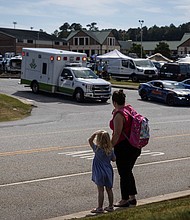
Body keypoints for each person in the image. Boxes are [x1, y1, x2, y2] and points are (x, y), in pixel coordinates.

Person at [109, 89, 141, 207]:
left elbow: (117, 134)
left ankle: (124, 199)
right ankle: (132, 198)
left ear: (114, 102)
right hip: (135, 146)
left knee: (123, 173)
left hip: (124, 147)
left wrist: (110, 146)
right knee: (128, 172)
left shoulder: (119, 115)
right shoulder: (129, 109)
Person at [88, 130, 116, 213]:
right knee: (109, 190)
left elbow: (89, 140)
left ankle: (100, 207)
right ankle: (111, 206)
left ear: (98, 140)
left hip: (99, 172)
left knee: (100, 190)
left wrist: (95, 133)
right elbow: (114, 159)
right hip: (108, 171)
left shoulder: (97, 149)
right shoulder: (110, 150)